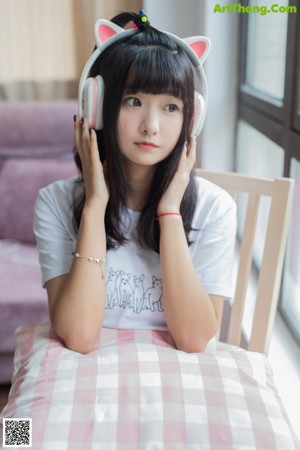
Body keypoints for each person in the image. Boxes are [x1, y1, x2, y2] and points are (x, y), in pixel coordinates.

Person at [34, 10, 237, 354]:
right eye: (134, 101)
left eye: (171, 107)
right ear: (96, 107)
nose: (151, 126)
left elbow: (193, 339)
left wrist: (170, 212)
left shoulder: (215, 208)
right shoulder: (55, 202)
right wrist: (95, 206)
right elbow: (80, 336)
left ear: (193, 118)